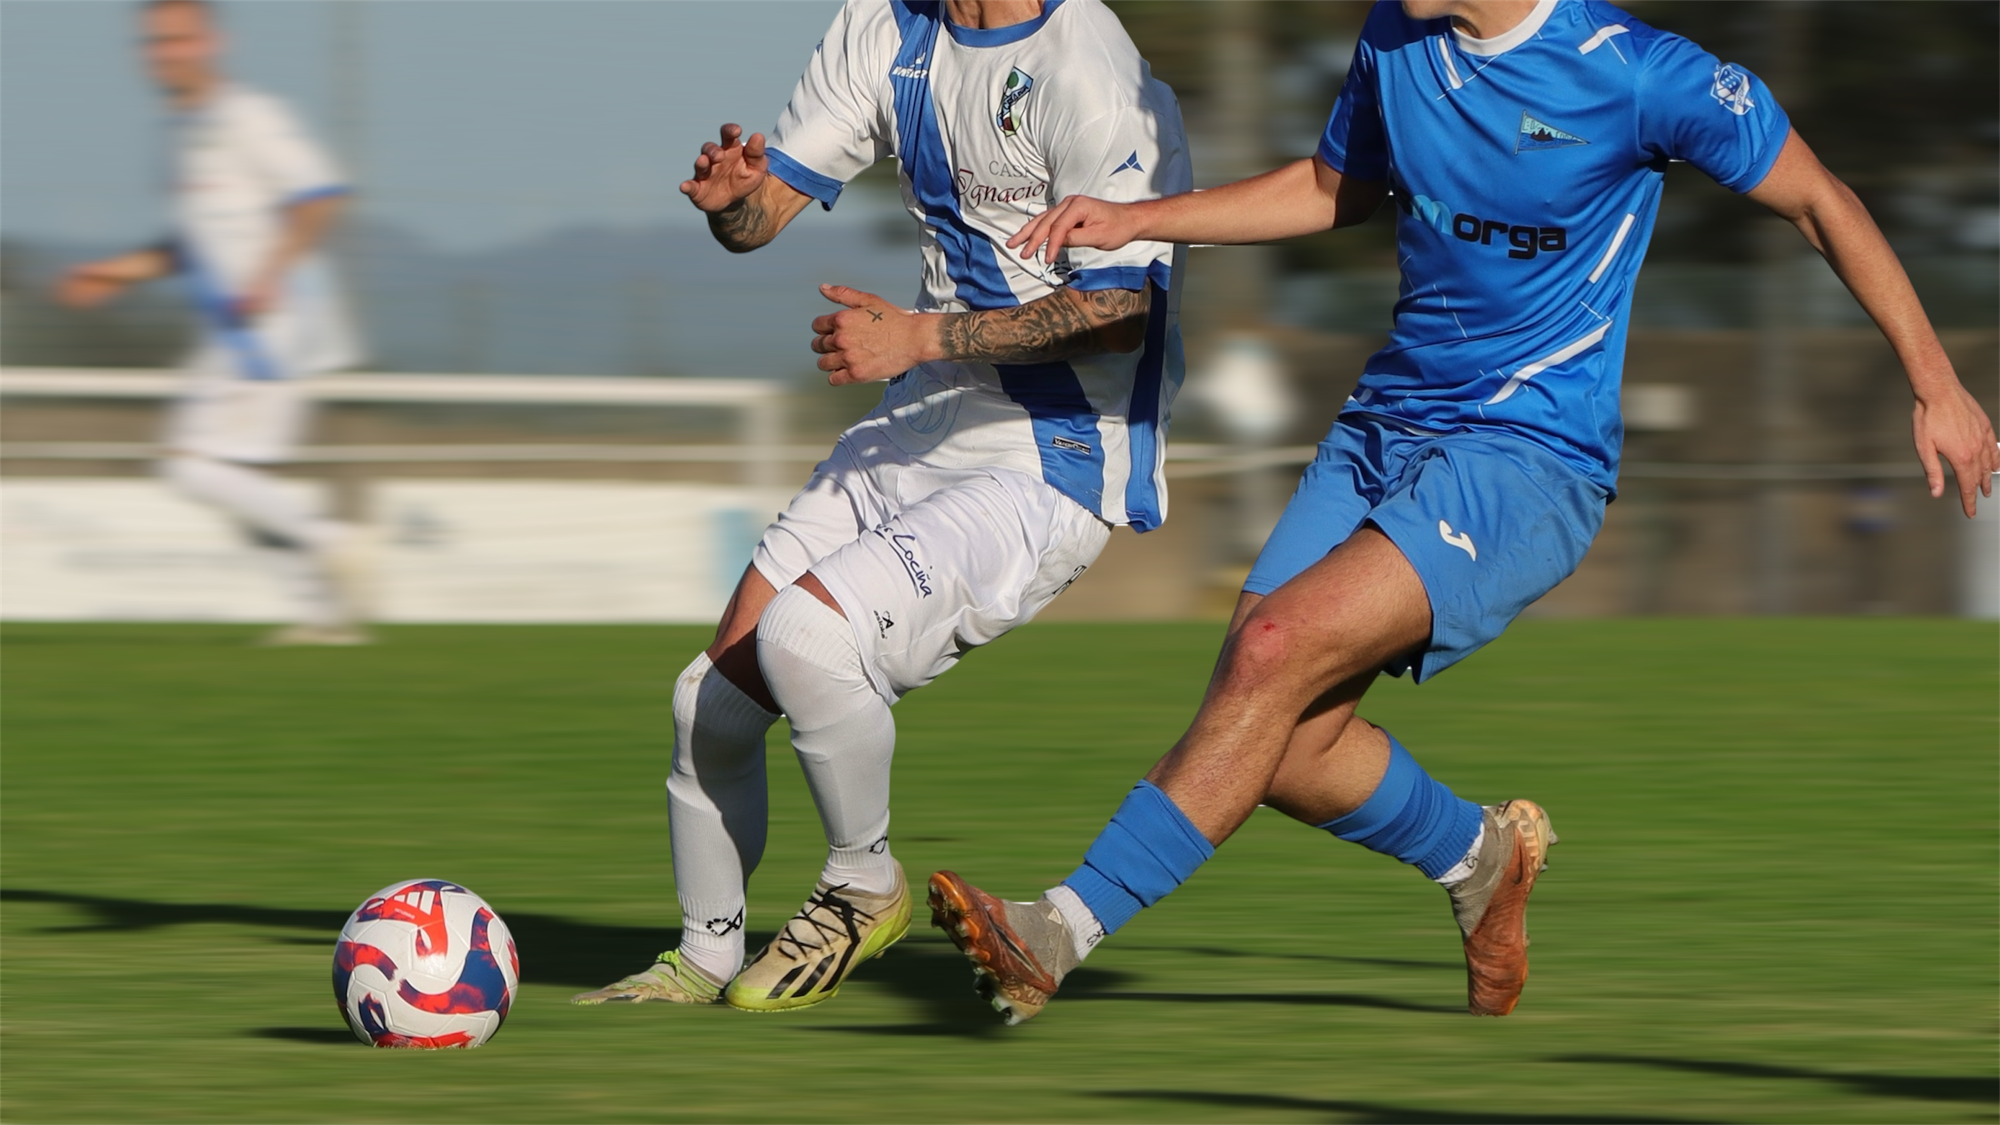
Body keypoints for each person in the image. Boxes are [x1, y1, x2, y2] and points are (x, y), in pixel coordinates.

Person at [928, 0, 2000, 1025]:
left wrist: (1936, 384)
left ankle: (1054, 933)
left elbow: (1820, 201)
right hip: (1382, 426)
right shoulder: (1396, 33)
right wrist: (1139, 217)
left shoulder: (1640, 75)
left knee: (1268, 650)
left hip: (1529, 457)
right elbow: (1332, 186)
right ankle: (1478, 857)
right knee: (1276, 741)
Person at [573, 0, 1192, 1011]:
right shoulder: (883, 24)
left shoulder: (1086, 63)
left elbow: (1119, 312)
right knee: (710, 702)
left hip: (1054, 456)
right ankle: (700, 960)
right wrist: (732, 203)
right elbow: (758, 218)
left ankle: (864, 884)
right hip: (926, 413)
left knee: (809, 640)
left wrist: (920, 338)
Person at [57, 0, 371, 646]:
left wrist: (271, 272)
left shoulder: (249, 115)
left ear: (214, 42)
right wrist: (115, 272)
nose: (163, 53)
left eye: (177, 39)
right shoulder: (177, 134)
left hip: (269, 328)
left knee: (190, 469)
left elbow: (321, 197)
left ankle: (335, 538)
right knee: (230, 481)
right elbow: (189, 245)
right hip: (227, 331)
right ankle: (323, 617)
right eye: (152, 42)